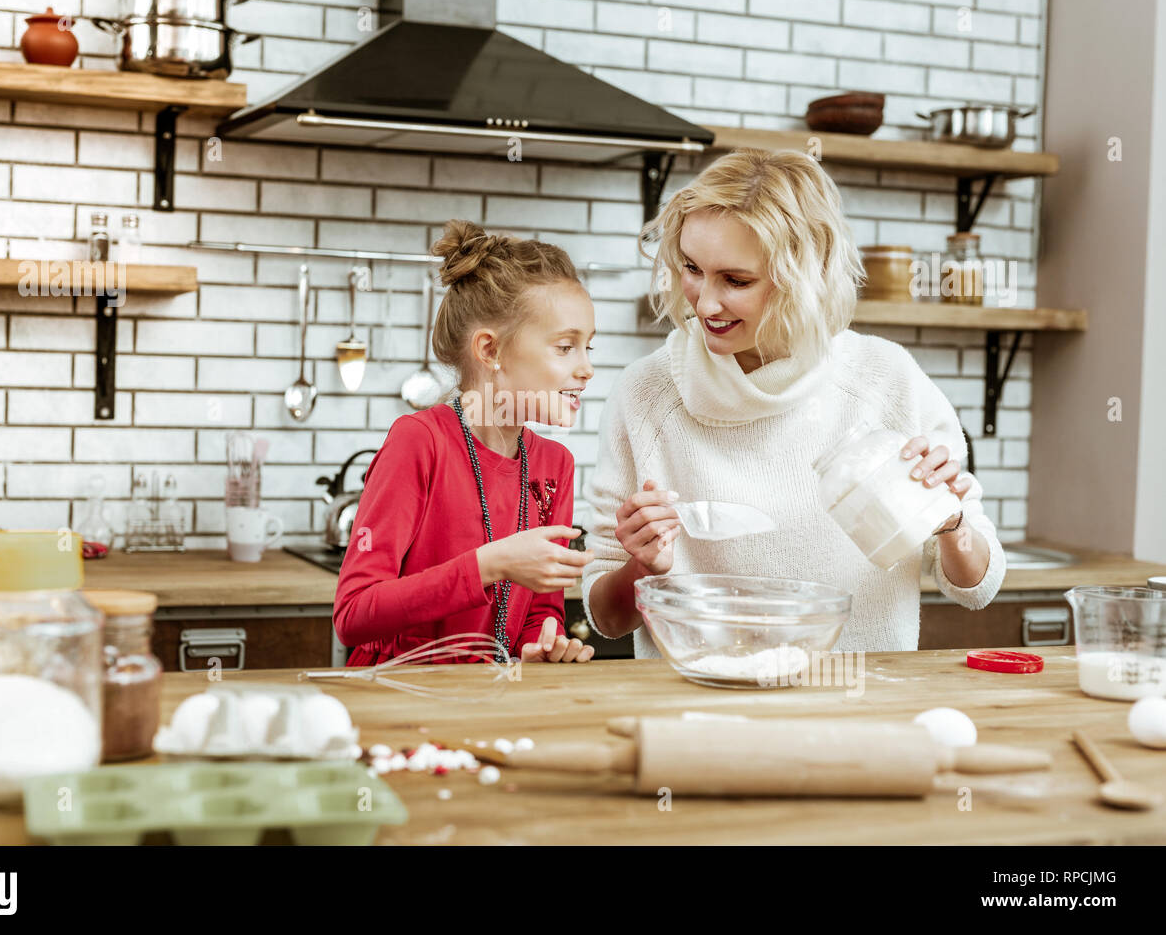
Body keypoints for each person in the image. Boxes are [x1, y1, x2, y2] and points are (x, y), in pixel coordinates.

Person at [582, 149, 1006, 657]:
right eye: (691, 268)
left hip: (854, 712)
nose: (704, 302)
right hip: (696, 716)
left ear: (805, 275)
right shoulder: (645, 394)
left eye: (736, 280)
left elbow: (977, 587)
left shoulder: (887, 380)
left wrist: (952, 523)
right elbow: (607, 619)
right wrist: (642, 565)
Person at [334, 219, 598, 665]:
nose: (587, 369)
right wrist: (488, 565)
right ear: (490, 350)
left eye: (590, 347)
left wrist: (543, 642)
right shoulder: (419, 442)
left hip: (491, 702)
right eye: (566, 347)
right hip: (395, 697)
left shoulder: (556, 464)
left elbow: (541, 608)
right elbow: (355, 614)